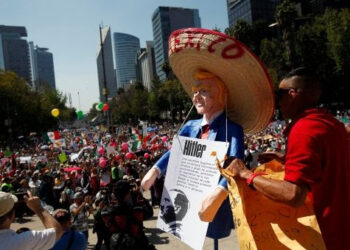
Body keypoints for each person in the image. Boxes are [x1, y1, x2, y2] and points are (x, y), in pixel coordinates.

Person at [141, 28, 274, 240]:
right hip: (186, 199)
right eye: (195, 92)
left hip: (215, 205)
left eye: (204, 91)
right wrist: (155, 170)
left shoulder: (232, 128)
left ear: (221, 94)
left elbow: (236, 164)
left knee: (213, 233)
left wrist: (219, 192)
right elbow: (175, 152)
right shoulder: (190, 127)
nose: (197, 97)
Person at [227, 67, 350, 250]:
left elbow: (293, 195)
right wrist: (287, 160)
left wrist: (246, 174)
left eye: (279, 95)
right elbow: (326, 168)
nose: (277, 102)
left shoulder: (303, 130)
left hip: (323, 238)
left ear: (292, 94)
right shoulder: (333, 124)